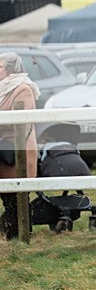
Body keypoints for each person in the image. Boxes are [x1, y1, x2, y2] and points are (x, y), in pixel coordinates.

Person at [0, 53, 39, 240]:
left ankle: (21, 236)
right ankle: (12, 234)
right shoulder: (2, 88)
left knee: (18, 196)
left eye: (0, 67)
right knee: (7, 197)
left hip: (19, 150)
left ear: (10, 69)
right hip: (3, 148)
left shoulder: (23, 88)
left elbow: (23, 121)